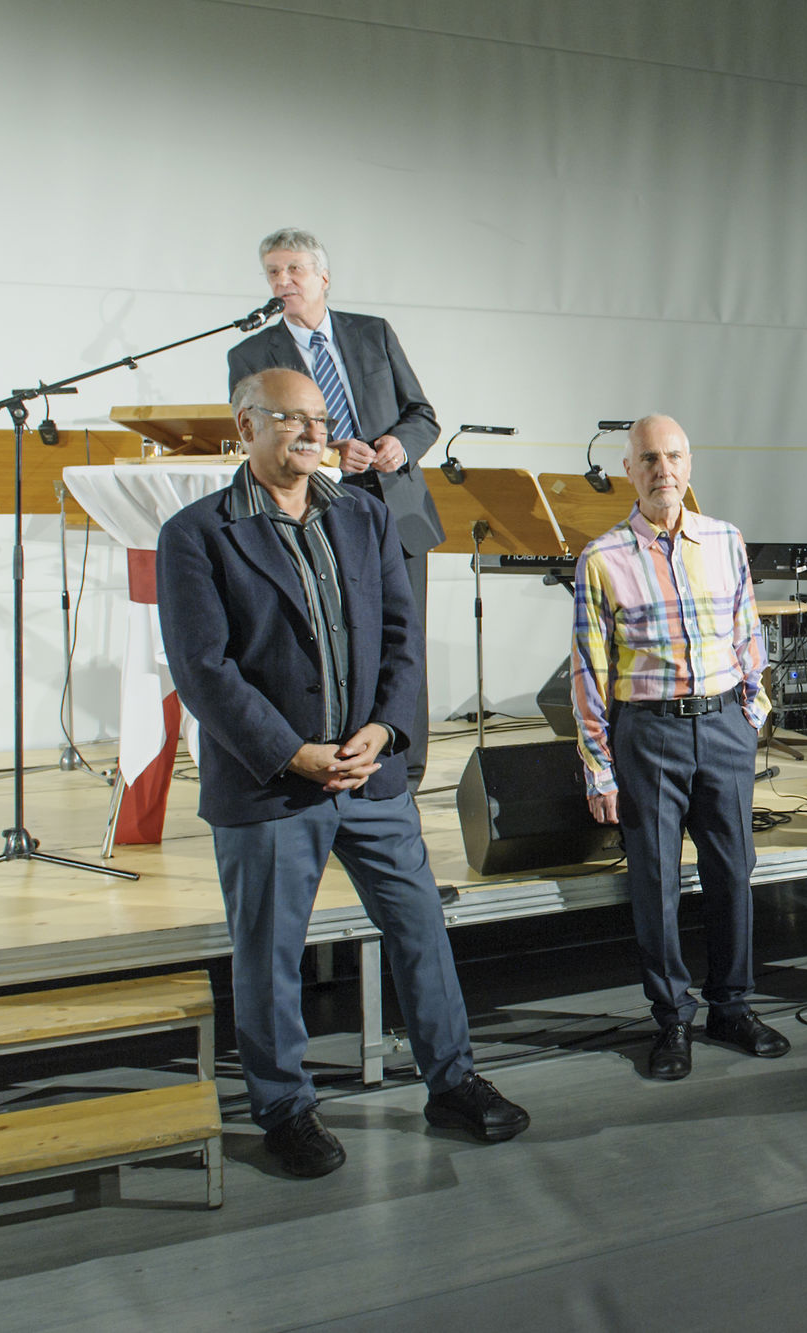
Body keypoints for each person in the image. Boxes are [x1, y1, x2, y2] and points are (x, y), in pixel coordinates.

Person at [156, 369, 526, 1178]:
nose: (311, 432)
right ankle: (285, 1107)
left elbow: (402, 635)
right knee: (271, 950)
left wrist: (386, 728)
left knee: (420, 926)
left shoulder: (360, 514)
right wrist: (291, 751)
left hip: (369, 773)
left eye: (319, 419)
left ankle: (451, 1078)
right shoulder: (198, 533)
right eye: (292, 418)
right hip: (271, 781)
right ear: (246, 424)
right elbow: (203, 670)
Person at [570, 414, 790, 1080]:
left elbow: (748, 631)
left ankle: (732, 1005)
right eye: (648, 459)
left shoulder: (725, 540)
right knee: (656, 882)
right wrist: (598, 769)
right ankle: (671, 1019)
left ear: (688, 464)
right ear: (629, 471)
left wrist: (752, 711)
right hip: (650, 733)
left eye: (672, 456)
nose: (662, 469)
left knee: (732, 872)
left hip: (723, 725)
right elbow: (588, 669)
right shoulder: (601, 557)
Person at [228, 228, 444, 787]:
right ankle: (332, 763)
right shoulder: (251, 354)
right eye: (273, 273)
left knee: (402, 640)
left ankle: (403, 773)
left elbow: (422, 414)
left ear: (323, 277)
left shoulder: (371, 334)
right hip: (317, 514)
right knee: (336, 638)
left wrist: (401, 443)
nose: (283, 282)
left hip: (396, 510)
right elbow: (256, 438)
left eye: (294, 270)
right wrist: (327, 452)